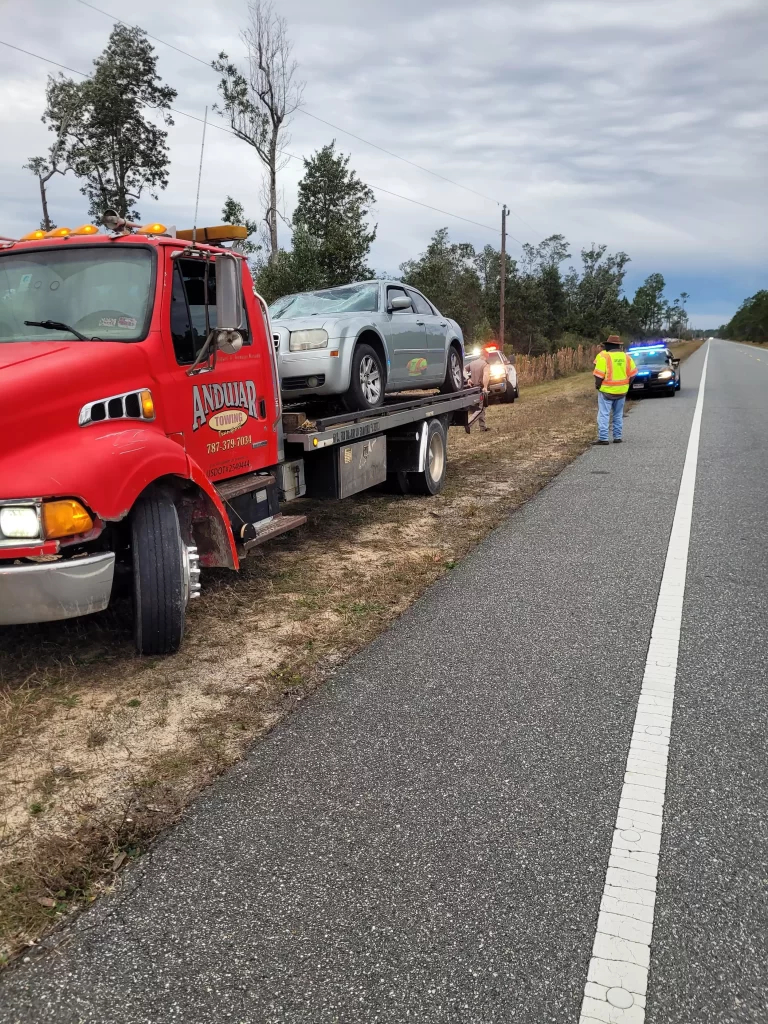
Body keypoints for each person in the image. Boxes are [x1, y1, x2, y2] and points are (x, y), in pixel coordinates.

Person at [593, 334, 637, 444]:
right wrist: (627, 384)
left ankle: (603, 438)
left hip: (606, 391)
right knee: (618, 414)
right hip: (621, 391)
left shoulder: (604, 357)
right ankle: (617, 437)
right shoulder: (627, 357)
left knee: (604, 414)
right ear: (618, 346)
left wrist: (598, 386)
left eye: (606, 345)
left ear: (609, 346)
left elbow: (598, 375)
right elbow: (633, 374)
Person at [468, 349, 492, 431]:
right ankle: (468, 424)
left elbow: (463, 370)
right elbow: (486, 375)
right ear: (486, 355)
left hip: (473, 388)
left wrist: (468, 378)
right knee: (481, 409)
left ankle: (483, 427)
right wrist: (485, 387)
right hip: (480, 388)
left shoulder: (472, 363)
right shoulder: (485, 364)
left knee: (482, 408)